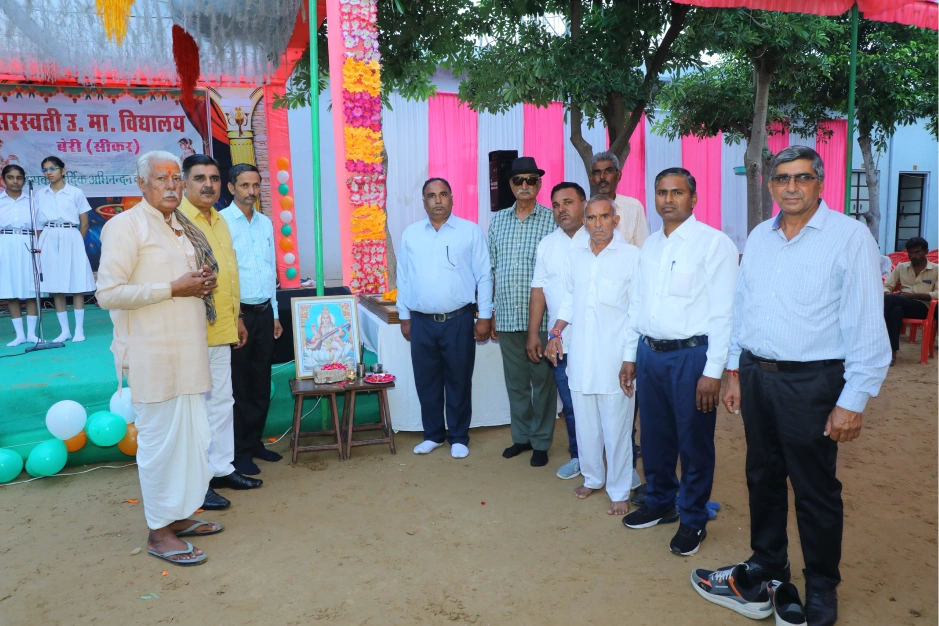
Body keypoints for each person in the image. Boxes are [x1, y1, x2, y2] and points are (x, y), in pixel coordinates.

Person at [692, 146, 890, 626]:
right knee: (761, 476)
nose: (792, 187)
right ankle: (768, 563)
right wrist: (735, 372)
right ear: (770, 185)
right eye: (782, 178)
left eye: (802, 177)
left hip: (813, 382)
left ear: (820, 182)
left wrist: (853, 400)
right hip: (757, 376)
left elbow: (867, 322)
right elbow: (743, 306)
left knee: (814, 487)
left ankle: (821, 584)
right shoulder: (760, 236)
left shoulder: (849, 237)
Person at [96, 150, 223, 566]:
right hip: (151, 354)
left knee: (189, 438)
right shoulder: (125, 226)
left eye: (175, 178)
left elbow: (184, 282)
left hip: (188, 351)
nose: (171, 185)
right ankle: (158, 532)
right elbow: (107, 294)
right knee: (159, 444)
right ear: (141, 184)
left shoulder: (181, 226)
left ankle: (178, 515)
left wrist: (200, 283)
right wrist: (172, 288)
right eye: (161, 178)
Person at [620, 167, 738, 557]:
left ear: (693, 198)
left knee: (693, 441)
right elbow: (637, 305)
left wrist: (713, 371)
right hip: (650, 354)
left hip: (693, 357)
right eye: (661, 192)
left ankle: (693, 518)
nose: (668, 200)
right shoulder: (649, 247)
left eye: (677, 192)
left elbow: (724, 313)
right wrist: (630, 355)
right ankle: (660, 502)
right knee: (654, 435)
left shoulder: (713, 244)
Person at [545, 195, 640, 515]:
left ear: (616, 220)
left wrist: (630, 357)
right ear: (584, 222)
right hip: (581, 357)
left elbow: (636, 311)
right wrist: (555, 332)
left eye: (604, 217)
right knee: (585, 427)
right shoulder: (576, 256)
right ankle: (593, 477)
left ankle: (619, 489)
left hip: (615, 359)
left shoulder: (632, 257)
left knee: (617, 429)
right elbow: (570, 298)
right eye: (591, 218)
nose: (598, 224)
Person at [180, 155, 259, 506]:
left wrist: (236, 317)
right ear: (184, 183)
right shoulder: (177, 222)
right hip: (191, 331)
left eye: (213, 178)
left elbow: (229, 274)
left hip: (221, 326)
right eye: (200, 178)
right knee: (196, 410)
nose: (208, 185)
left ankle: (222, 468)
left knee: (222, 403)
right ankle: (198, 481)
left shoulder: (219, 220)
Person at [396, 178, 493, 458]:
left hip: (459, 320)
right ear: (423, 202)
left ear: (451, 198)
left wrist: (484, 316)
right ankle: (434, 435)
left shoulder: (470, 232)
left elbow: (484, 275)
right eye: (431, 196)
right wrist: (404, 316)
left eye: (443, 194)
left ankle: (459, 436)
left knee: (459, 379)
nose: (437, 200)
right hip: (421, 321)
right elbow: (403, 277)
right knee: (426, 380)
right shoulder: (411, 234)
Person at [488, 156, 558, 467]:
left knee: (542, 382)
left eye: (531, 179)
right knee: (515, 383)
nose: (525, 185)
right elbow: (491, 270)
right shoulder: (497, 221)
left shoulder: (552, 220)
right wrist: (490, 312)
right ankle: (522, 437)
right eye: (519, 180)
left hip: (541, 320)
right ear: (510, 185)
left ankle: (541, 441)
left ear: (539, 184)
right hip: (506, 316)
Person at [220, 164, 285, 471]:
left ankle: (255, 442)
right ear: (231, 188)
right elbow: (223, 275)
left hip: (264, 312)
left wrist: (275, 314)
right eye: (245, 185)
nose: (251, 191)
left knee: (261, 382)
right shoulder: (221, 222)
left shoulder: (265, 223)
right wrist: (235, 317)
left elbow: (270, 270)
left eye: (256, 185)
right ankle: (239, 452)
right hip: (239, 315)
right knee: (239, 386)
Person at [527, 182, 588, 480]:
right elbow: (538, 291)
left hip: (598, 341)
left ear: (584, 204)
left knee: (610, 404)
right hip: (559, 342)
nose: (561, 209)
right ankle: (580, 458)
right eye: (555, 205)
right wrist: (533, 334)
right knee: (572, 406)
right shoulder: (547, 245)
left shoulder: (600, 239)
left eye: (568, 202)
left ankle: (619, 464)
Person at [35, 157, 96, 342]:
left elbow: (84, 224)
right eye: (45, 170)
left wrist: (75, 242)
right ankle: (64, 331)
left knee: (77, 284)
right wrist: (42, 244)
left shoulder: (75, 193)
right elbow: (38, 225)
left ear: (63, 170)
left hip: (71, 236)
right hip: (48, 236)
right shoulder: (40, 194)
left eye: (53, 168)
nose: (49, 172)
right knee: (56, 286)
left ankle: (79, 330)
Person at [883, 237, 939, 365]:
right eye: (911, 252)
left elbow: (938, 293)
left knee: (891, 300)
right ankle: (892, 351)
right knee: (894, 310)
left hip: (924, 307)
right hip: (901, 304)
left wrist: (912, 296)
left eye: (918, 252)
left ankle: (883, 346)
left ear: (926, 251)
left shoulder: (937, 269)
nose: (914, 255)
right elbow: (887, 285)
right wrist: (886, 292)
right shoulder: (901, 267)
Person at [0, 165, 38, 346]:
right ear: (3, 179)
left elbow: (39, 227)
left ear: (24, 180)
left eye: (19, 178)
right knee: (11, 290)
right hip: (5, 243)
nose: (15, 181)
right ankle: (20, 335)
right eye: (11, 177)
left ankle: (32, 334)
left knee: (31, 289)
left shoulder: (32, 200)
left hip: (28, 242)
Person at [588, 151, 649, 248]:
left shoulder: (633, 207)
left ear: (618, 176)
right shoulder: (585, 210)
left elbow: (644, 247)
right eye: (597, 173)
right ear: (591, 178)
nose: (602, 176)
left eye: (608, 171)